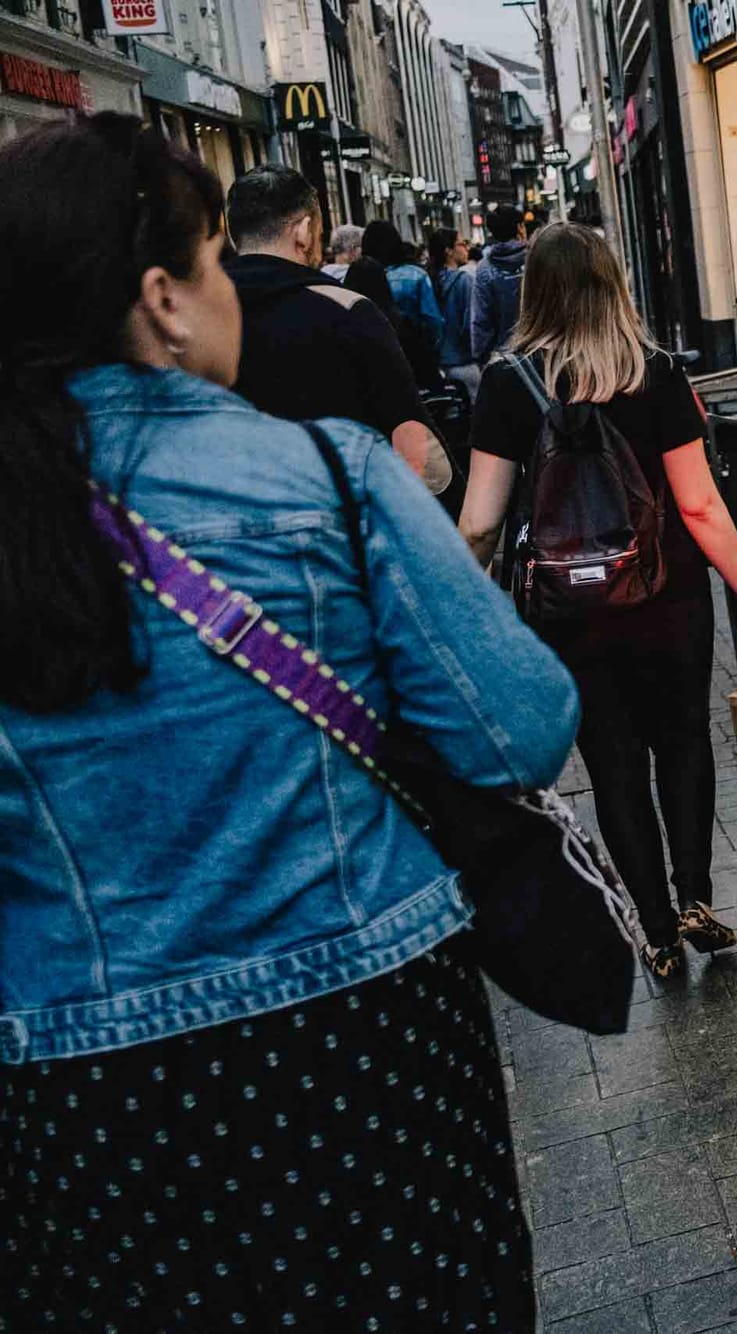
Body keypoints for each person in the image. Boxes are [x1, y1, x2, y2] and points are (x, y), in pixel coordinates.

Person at [0, 113, 577, 1329]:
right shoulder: (326, 477)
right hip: (360, 1038)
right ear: (162, 299)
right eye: (216, 262)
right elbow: (523, 727)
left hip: (81, 1083)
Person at [457, 223, 737, 981]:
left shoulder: (508, 383)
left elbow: (479, 524)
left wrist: (464, 617)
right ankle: (695, 896)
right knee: (684, 742)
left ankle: (657, 932)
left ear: (535, 292)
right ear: (613, 284)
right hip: (667, 597)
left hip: (565, 612)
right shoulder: (656, 373)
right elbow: (699, 505)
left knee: (612, 764)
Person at [223, 165, 450, 492]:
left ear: (234, 235)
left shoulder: (203, 319)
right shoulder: (347, 310)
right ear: (303, 232)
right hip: (341, 506)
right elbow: (411, 433)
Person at [362, 219, 443, 376]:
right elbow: (432, 321)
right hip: (415, 357)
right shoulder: (416, 275)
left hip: (376, 361)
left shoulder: (362, 277)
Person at [470, 203, 526, 363]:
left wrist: (480, 356)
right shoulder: (538, 258)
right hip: (541, 349)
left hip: (504, 357)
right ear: (520, 227)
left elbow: (480, 319)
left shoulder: (485, 268)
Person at [429, 225, 479, 394]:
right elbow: (471, 324)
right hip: (465, 361)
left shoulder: (429, 279)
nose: (467, 248)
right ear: (449, 251)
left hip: (439, 365)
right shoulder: (464, 281)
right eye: (462, 244)